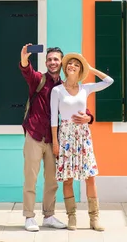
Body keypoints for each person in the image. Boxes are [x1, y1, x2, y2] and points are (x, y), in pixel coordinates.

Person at [19, 44, 94, 232]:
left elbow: (77, 106)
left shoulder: (64, 87)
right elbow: (27, 71)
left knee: (52, 180)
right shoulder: (39, 80)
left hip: (54, 139)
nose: (53, 62)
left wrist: (89, 117)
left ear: (61, 63)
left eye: (56, 59)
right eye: (50, 59)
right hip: (35, 135)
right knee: (31, 177)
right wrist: (24, 58)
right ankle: (29, 216)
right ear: (46, 62)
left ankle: (49, 215)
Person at [50, 53, 113, 232]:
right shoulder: (57, 90)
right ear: (65, 68)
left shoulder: (85, 88)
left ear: (80, 70)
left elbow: (109, 81)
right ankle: (72, 217)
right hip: (65, 136)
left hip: (83, 137)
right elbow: (54, 118)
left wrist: (89, 67)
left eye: (76, 65)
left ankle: (94, 219)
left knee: (90, 177)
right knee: (68, 179)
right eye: (69, 63)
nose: (71, 66)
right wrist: (55, 142)